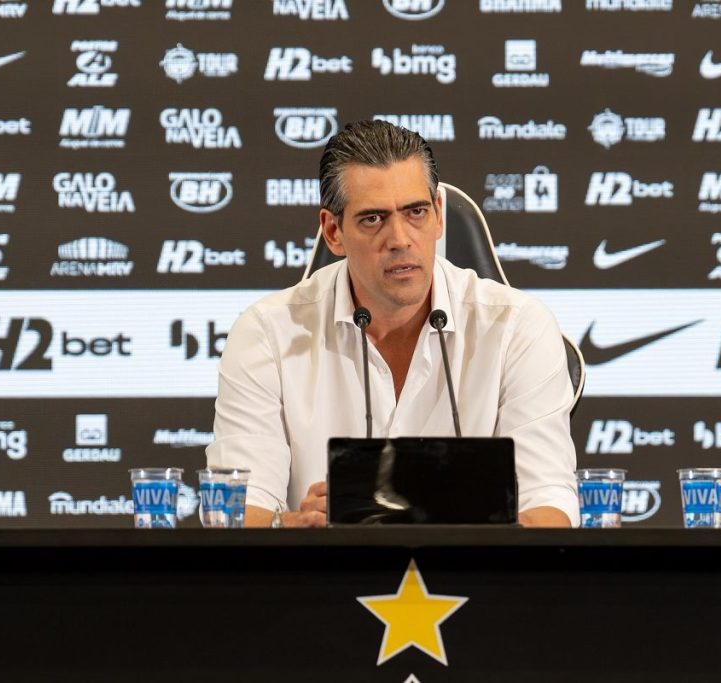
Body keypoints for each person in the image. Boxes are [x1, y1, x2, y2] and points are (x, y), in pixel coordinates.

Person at [206, 120, 578, 527]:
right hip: (321, 567)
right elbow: (234, 511)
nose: (400, 238)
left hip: (475, 569)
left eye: (416, 212)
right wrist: (296, 526)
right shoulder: (267, 334)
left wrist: (468, 529)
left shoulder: (517, 327)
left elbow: (550, 507)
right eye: (373, 219)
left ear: (438, 215)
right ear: (333, 231)